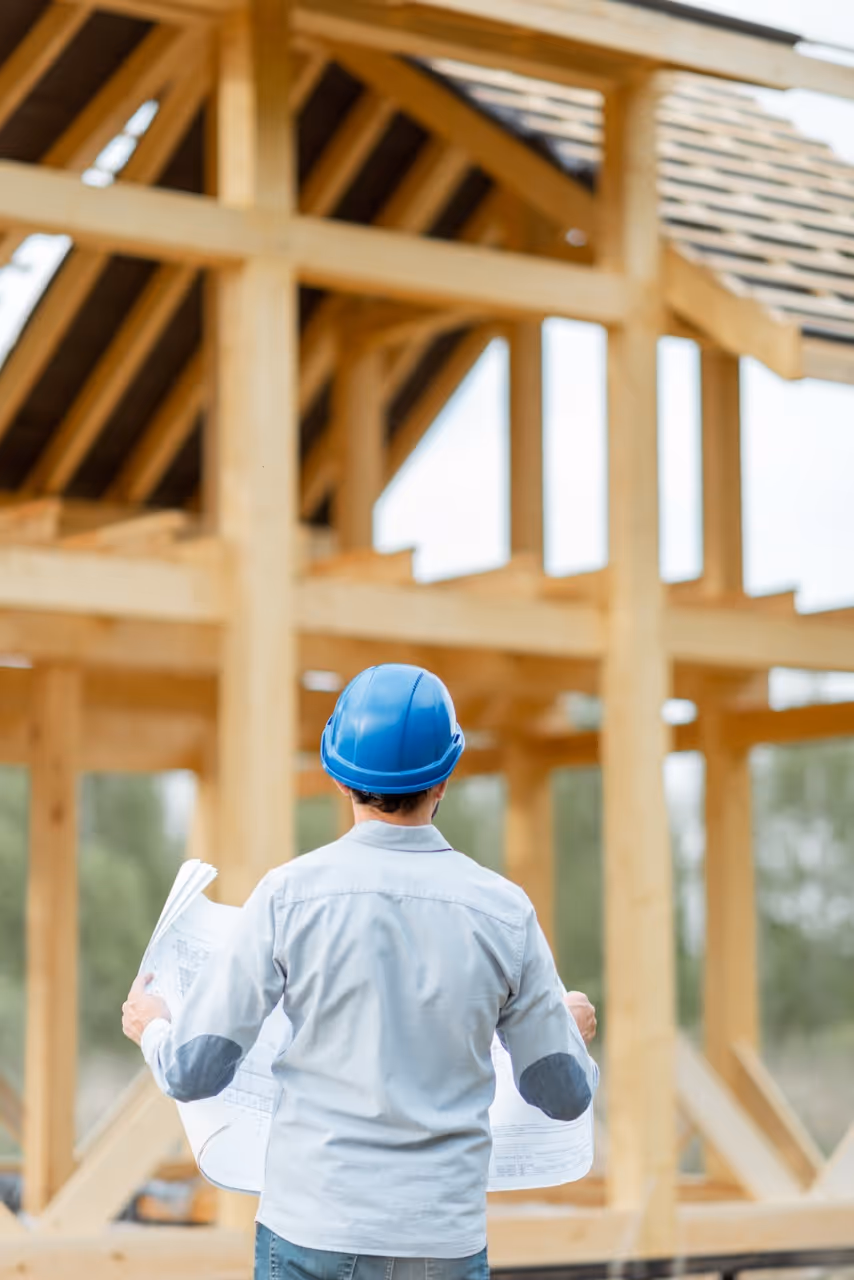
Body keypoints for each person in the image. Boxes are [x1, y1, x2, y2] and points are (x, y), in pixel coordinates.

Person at [123, 663, 599, 1280]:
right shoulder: (504, 912)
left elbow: (193, 1072)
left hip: (310, 1235)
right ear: (445, 779)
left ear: (340, 778)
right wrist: (564, 1031)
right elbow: (562, 1095)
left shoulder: (287, 897)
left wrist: (154, 1026)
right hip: (442, 1246)